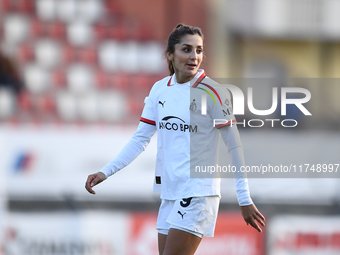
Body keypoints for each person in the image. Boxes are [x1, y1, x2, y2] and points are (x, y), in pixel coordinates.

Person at [85, 24, 265, 255]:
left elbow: (234, 146)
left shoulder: (214, 92)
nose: (194, 57)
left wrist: (244, 198)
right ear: (169, 54)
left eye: (199, 50)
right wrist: (106, 171)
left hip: (199, 191)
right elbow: (140, 139)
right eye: (186, 49)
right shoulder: (160, 90)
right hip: (170, 192)